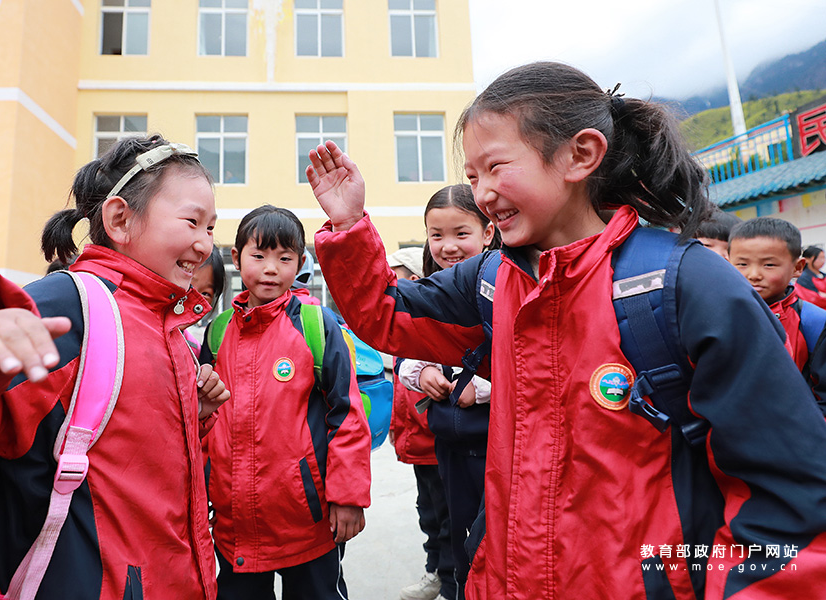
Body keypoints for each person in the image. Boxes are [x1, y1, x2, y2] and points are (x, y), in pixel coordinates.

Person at [306, 62, 826, 599]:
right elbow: (388, 314)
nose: (482, 194)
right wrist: (347, 226)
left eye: (496, 167)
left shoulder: (683, 285)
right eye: (472, 177)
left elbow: (787, 507)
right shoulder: (491, 280)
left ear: (580, 155)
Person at [0, 135, 228, 599]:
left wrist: (194, 415)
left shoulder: (167, 325)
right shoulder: (71, 309)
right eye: (193, 221)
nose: (205, 244)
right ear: (119, 219)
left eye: (211, 227)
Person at [201, 204, 371, 600]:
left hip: (308, 520)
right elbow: (203, 421)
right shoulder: (218, 333)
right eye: (259, 256)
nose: (271, 269)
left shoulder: (316, 325)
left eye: (284, 258)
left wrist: (348, 497)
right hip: (234, 523)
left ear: (300, 263)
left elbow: (347, 414)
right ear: (236, 257)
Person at [396, 185, 498, 600]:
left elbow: (529, 364)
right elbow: (405, 351)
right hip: (448, 444)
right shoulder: (430, 287)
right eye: (436, 235)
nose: (448, 246)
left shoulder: (504, 284)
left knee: (494, 542)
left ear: (488, 233)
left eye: (461, 233)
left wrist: (483, 388)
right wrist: (420, 373)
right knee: (454, 536)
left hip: (495, 445)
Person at [387, 245, 454, 600]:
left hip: (437, 444)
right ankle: (436, 573)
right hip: (418, 448)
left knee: (447, 519)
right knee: (429, 514)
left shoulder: (432, 322)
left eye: (394, 278)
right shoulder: (404, 325)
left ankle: (449, 580)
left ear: (413, 280)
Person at [727, 217, 826, 413]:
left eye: (769, 265)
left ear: (797, 268)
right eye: (742, 264)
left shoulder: (813, 322)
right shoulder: (716, 316)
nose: (754, 275)